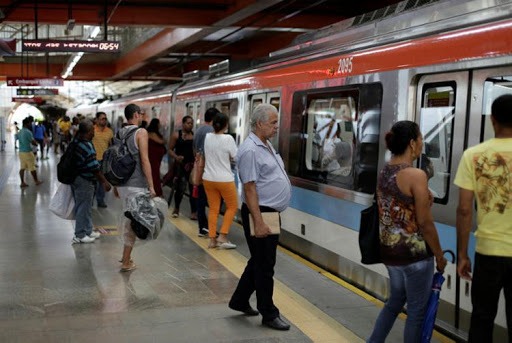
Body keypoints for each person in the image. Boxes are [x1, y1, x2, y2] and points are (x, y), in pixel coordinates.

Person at [367, 120, 447, 343]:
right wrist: (439, 256)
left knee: (394, 302)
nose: (422, 142)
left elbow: (396, 207)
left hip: (390, 254)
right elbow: (425, 222)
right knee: (416, 313)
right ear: (412, 143)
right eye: (420, 138)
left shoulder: (385, 171)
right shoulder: (416, 175)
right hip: (415, 257)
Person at [228, 104, 292, 331]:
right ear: (259, 124)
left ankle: (239, 300)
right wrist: (259, 221)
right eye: (273, 122)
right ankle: (268, 313)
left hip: (269, 212)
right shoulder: (250, 150)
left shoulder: (265, 146)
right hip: (261, 212)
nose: (277, 127)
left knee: (259, 260)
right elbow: (250, 188)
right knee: (265, 266)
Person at [454, 94, 512, 342]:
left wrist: (463, 254)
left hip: (488, 252)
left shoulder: (473, 155)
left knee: (482, 318)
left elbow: (465, 209)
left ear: (492, 120)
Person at [115, 104, 155, 272]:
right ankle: (125, 260)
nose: (143, 116)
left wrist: (116, 184)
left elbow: (116, 160)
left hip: (123, 184)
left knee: (129, 220)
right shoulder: (141, 133)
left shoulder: (119, 133)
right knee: (133, 223)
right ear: (136, 115)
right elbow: (145, 160)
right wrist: (152, 186)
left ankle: (126, 256)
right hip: (137, 184)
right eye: (141, 114)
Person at [71, 120, 112, 244]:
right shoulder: (85, 145)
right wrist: (104, 182)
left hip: (78, 178)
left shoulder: (77, 141)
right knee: (83, 207)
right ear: (88, 132)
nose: (94, 132)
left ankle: (88, 230)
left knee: (87, 206)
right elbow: (94, 167)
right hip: (84, 180)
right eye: (92, 130)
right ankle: (79, 235)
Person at [202, 112, 238, 249]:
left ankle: (212, 240)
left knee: (213, 209)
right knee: (232, 206)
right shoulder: (228, 139)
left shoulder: (208, 137)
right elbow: (235, 157)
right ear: (226, 125)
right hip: (224, 179)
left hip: (208, 178)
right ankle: (222, 236)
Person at [192, 107, 218, 237]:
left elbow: (195, 150)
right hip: (209, 170)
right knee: (213, 201)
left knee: (201, 199)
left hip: (199, 168)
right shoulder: (212, 131)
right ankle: (209, 228)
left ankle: (202, 227)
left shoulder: (199, 130)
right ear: (214, 119)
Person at [168, 115, 196, 219]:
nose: (190, 125)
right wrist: (176, 157)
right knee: (180, 188)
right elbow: (170, 149)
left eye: (192, 123)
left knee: (193, 189)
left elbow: (195, 150)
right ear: (183, 124)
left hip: (191, 166)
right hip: (180, 166)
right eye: (188, 123)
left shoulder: (193, 136)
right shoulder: (176, 135)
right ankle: (176, 208)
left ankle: (193, 212)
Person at [92, 112, 114, 208]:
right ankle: (90, 200)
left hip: (104, 160)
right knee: (92, 182)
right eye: (102, 118)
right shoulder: (91, 130)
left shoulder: (109, 132)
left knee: (102, 181)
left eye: (105, 118)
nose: (104, 120)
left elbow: (111, 145)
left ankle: (100, 200)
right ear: (96, 120)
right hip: (92, 160)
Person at [18, 118, 43, 187]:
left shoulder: (20, 131)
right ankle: (36, 181)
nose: (30, 125)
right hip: (27, 152)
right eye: (29, 123)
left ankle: (22, 182)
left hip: (21, 152)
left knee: (22, 167)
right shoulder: (28, 132)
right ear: (27, 124)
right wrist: (36, 144)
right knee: (32, 167)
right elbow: (33, 142)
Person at [146, 118, 167, 197]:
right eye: (159, 123)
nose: (160, 125)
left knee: (155, 174)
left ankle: (154, 190)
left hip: (155, 158)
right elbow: (161, 141)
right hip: (153, 158)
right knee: (155, 174)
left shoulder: (152, 133)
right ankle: (156, 191)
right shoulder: (152, 133)